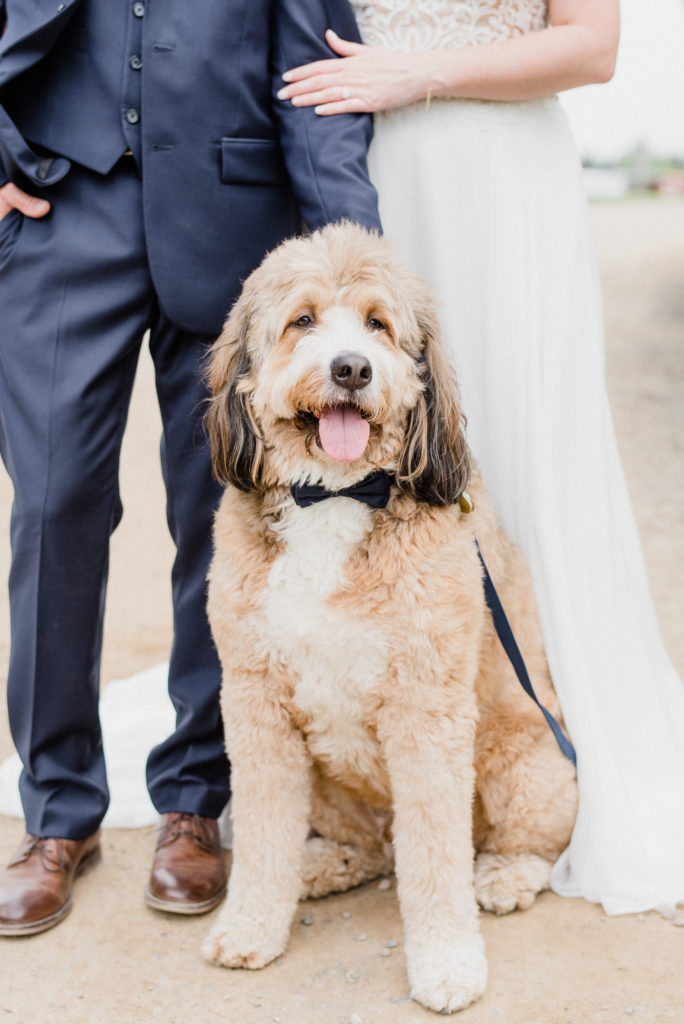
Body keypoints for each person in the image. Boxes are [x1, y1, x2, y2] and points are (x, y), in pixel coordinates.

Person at [277, 0, 684, 915]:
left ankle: (533, 740)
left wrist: (414, 75)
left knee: (514, 446)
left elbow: (594, 47)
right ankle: (379, 775)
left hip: (501, 185)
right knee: (376, 442)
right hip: (378, 182)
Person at [0, 0, 380, 936]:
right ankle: (57, 813)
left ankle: (194, 802)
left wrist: (352, 264)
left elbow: (315, 80)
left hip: (232, 230)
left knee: (221, 522)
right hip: (58, 212)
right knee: (52, 507)